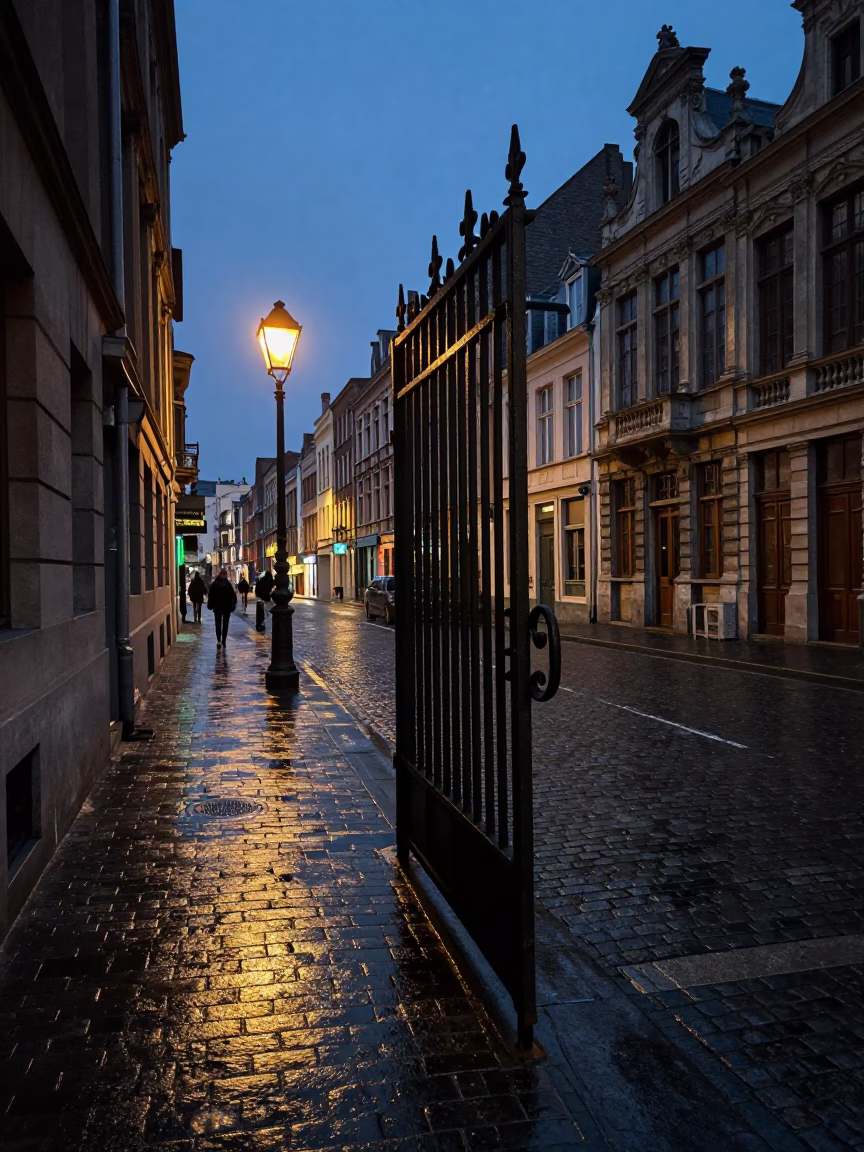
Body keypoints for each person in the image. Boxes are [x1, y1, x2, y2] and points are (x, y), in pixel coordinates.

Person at [207, 568, 237, 648]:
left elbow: (211, 595)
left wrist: (210, 605)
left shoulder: (216, 584)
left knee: (219, 624)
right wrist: (233, 605)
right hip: (225, 607)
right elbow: (233, 596)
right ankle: (222, 640)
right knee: (224, 624)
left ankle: (220, 640)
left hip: (219, 607)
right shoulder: (227, 584)